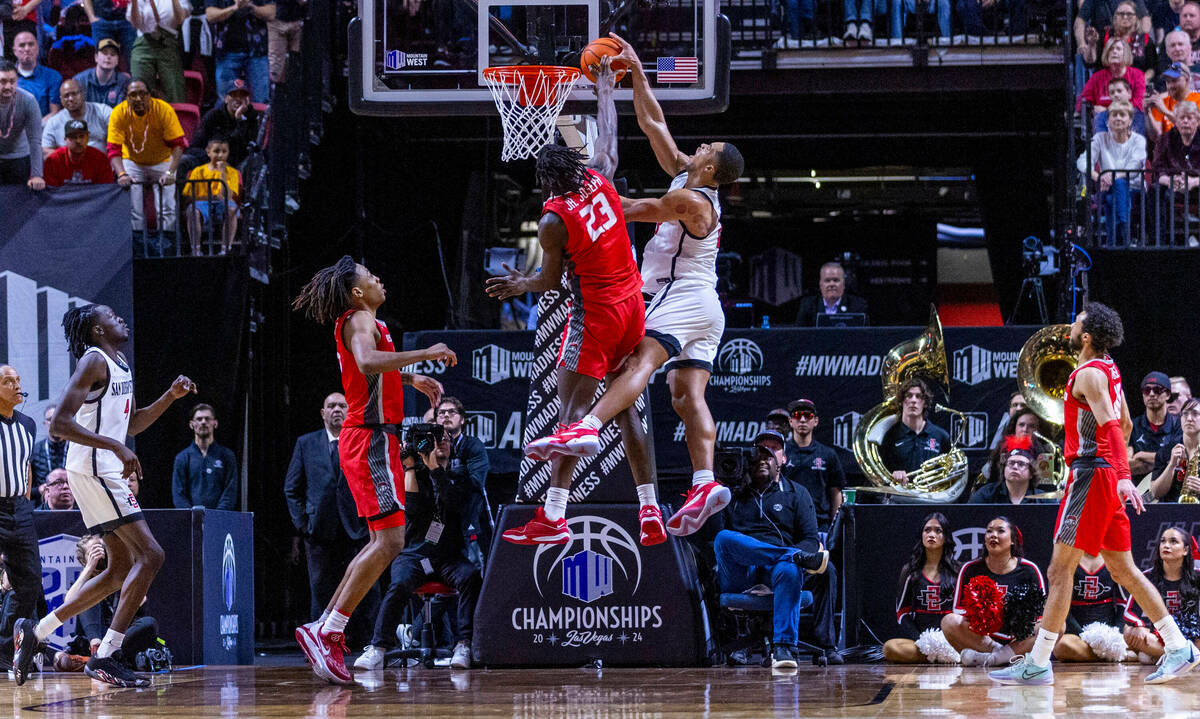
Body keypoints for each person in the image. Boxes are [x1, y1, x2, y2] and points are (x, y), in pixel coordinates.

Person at [506, 43, 745, 542]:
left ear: (711, 169)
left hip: (673, 296)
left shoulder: (690, 200)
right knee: (685, 396)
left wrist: (594, 197)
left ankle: (587, 427)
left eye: (706, 149)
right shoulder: (689, 174)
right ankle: (702, 483)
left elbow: (634, 208)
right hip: (706, 306)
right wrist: (635, 74)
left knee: (637, 368)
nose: (698, 146)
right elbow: (654, 125)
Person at [484, 60, 665, 547]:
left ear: (545, 183)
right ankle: (649, 508)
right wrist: (606, 90)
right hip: (632, 309)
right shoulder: (600, 177)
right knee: (627, 410)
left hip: (596, 318)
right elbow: (608, 139)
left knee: (571, 419)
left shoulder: (552, 220)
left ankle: (555, 515)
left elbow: (548, 281)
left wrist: (521, 284)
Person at [989, 301, 1200, 686]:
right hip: (1101, 476)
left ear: (1086, 335)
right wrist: (1116, 473)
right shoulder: (1110, 370)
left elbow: (1109, 426)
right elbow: (1121, 422)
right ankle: (1177, 644)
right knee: (1122, 569)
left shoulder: (1088, 373)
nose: (1069, 327)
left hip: (1090, 475)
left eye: (1075, 323)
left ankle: (1038, 662)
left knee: (1059, 569)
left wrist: (1120, 475)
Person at [13, 304, 197, 687]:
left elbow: (131, 423)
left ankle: (37, 632)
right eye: (112, 317)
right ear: (97, 329)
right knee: (152, 555)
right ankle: (107, 655)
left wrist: (170, 397)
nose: (121, 319)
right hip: (94, 468)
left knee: (117, 569)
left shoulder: (120, 362)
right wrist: (116, 448)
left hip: (101, 466)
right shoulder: (93, 361)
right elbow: (61, 424)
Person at [291, 256, 454, 685]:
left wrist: (409, 376)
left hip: (373, 437)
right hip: (370, 438)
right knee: (391, 540)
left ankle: (325, 625)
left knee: (381, 541)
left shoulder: (365, 321)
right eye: (371, 276)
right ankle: (330, 629)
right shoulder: (360, 319)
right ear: (359, 292)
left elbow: (368, 372)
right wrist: (426, 353)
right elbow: (365, 362)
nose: (380, 278)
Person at [354, 428, 483, 672]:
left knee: (471, 577)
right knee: (400, 583)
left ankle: (463, 644)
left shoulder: (462, 477)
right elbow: (412, 510)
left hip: (448, 556)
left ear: (452, 446)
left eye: (444, 439)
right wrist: (412, 468)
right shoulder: (414, 475)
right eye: (433, 440)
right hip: (415, 554)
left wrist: (435, 469)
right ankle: (378, 647)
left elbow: (453, 504)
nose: (438, 444)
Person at [707, 430, 834, 668]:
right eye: (758, 454)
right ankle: (791, 556)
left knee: (790, 569)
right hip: (741, 571)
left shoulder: (797, 493)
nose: (763, 459)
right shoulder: (732, 494)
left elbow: (809, 539)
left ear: (781, 460)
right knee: (724, 538)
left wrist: (789, 558)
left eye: (770, 453)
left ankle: (784, 649)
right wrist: (722, 489)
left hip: (777, 571)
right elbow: (714, 538)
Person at [284, 393, 377, 646]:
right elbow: (292, 488)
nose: (337, 409)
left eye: (342, 405)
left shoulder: (360, 440)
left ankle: (366, 643)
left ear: (350, 411)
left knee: (365, 588)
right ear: (323, 413)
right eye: (331, 406)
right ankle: (319, 645)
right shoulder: (306, 443)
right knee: (321, 589)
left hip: (356, 529)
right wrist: (304, 523)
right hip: (319, 531)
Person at [942, 517, 1046, 666]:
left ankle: (994, 660)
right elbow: (958, 610)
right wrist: (986, 617)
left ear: (1012, 540)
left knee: (1055, 626)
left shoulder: (1029, 570)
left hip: (1019, 638)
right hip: (983, 638)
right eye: (989, 531)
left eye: (1000, 531)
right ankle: (1002, 655)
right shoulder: (970, 569)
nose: (993, 535)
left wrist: (1016, 621)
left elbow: (1040, 615)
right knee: (949, 621)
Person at [0, 366, 45, 671]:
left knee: (29, 582)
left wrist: (25, 502)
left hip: (20, 508)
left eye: (18, 380)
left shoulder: (28, 424)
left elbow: (26, 467)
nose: (17, 385)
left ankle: (6, 652)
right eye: (8, 381)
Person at [60, 534, 159, 669]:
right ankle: (97, 650)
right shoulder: (84, 583)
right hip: (93, 639)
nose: (100, 554)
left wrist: (119, 567)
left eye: (101, 548)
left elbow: (141, 600)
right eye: (93, 552)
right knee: (86, 594)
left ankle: (103, 658)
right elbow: (68, 604)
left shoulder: (123, 573)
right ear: (83, 561)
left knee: (149, 623)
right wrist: (89, 567)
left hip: (119, 638)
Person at [107, 79, 186, 231]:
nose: (138, 99)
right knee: (133, 209)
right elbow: (113, 149)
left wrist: (170, 172)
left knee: (167, 208)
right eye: (133, 95)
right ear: (126, 97)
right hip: (132, 161)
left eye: (143, 94)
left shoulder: (163, 109)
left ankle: (166, 247)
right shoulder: (118, 113)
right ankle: (137, 247)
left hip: (162, 160)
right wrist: (122, 174)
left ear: (150, 95)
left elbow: (178, 144)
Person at [882, 513, 960, 663]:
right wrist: (922, 641)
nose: (932, 534)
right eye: (927, 530)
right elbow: (902, 612)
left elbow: (965, 611)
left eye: (938, 531)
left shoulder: (958, 570)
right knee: (889, 648)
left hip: (953, 640)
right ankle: (940, 657)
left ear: (946, 537)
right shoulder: (910, 570)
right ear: (921, 535)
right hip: (921, 641)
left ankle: (944, 655)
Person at [1123, 527, 1200, 661]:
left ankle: (1160, 656)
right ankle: (1184, 657)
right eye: (1163, 541)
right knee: (1129, 631)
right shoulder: (1146, 577)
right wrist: (1139, 625)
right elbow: (1129, 611)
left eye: (1173, 542)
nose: (1166, 545)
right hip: (1159, 636)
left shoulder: (1197, 577)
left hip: (1192, 636)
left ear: (1186, 550)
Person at [1087, 100, 1147, 247]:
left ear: (1130, 120)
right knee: (1113, 193)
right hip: (1107, 186)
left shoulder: (1138, 140)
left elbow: (1134, 167)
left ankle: (1112, 243)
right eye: (1114, 115)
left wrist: (1111, 178)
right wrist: (1098, 176)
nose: (1118, 118)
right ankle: (1125, 235)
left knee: (1112, 194)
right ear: (1107, 120)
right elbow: (1083, 162)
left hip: (1134, 187)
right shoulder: (1100, 138)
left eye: (1122, 114)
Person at [781, 399, 844, 533]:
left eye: (808, 415)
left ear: (815, 421)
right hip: (787, 522)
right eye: (797, 415)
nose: (802, 420)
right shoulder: (781, 453)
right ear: (790, 421)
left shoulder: (828, 454)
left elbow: (835, 493)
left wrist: (835, 526)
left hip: (820, 524)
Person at [1051, 552, 1129, 662]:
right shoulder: (1068, 560)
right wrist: (1083, 635)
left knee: (1134, 635)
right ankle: (1118, 656)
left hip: (1109, 630)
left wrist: (1117, 635)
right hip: (1077, 633)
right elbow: (1062, 606)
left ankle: (1108, 653)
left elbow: (1123, 602)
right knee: (1061, 646)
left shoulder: (1114, 560)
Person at [880, 377, 952, 485]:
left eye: (918, 396)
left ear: (925, 403)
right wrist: (892, 475)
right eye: (909, 396)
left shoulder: (941, 436)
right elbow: (881, 475)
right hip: (900, 498)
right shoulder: (889, 437)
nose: (913, 400)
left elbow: (951, 473)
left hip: (932, 499)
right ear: (901, 402)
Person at [205, 0, 275, 103]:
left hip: (257, 52)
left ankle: (256, 119)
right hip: (227, 51)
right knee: (225, 101)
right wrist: (235, 7)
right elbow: (210, 15)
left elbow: (271, 13)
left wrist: (250, 7)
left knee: (261, 100)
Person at [171, 403, 239, 510]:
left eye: (207, 419)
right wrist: (192, 516)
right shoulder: (182, 458)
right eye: (199, 419)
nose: (203, 422)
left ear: (215, 423)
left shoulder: (227, 456)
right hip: (190, 521)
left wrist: (217, 516)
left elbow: (230, 491)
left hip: (220, 520)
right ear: (191, 424)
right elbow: (178, 494)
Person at [183, 135, 241, 255]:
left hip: (223, 203)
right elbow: (189, 196)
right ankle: (196, 250)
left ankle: (225, 250)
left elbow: (230, 197)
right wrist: (208, 197)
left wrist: (222, 175)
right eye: (216, 151)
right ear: (208, 152)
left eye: (224, 152)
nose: (220, 155)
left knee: (232, 209)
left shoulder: (233, 172)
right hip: (203, 203)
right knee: (193, 211)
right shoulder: (198, 171)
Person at [184, 78, 258, 171]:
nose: (238, 99)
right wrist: (213, 159)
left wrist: (240, 119)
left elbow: (244, 147)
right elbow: (194, 147)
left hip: (236, 163)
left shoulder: (252, 116)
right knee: (185, 160)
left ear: (247, 100)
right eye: (233, 95)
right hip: (210, 159)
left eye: (242, 96)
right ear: (226, 99)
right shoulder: (213, 115)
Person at [126, 0, 189, 103]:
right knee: (138, 89)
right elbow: (136, 24)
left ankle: (176, 117)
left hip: (168, 42)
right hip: (144, 41)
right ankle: (140, 117)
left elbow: (180, 19)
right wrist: (134, 2)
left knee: (175, 88)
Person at [0, 60, 45, 189]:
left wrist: (37, 175)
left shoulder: (28, 100)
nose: (8, 86)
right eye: (2, 82)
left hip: (19, 158)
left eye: (12, 81)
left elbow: (35, 140)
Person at [1129, 370, 1181, 476]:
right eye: (1147, 390)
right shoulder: (1132, 426)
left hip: (1171, 488)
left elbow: (1181, 460)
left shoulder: (1179, 425)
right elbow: (1127, 465)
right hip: (1139, 488)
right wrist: (1167, 462)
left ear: (1167, 394)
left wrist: (1141, 455)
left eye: (1157, 390)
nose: (1151, 394)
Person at [42, 79, 111, 157]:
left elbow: (118, 141)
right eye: (66, 96)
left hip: (101, 165)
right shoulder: (53, 122)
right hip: (68, 166)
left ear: (83, 94)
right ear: (61, 99)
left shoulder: (104, 111)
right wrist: (70, 158)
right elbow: (45, 150)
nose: (70, 99)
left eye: (74, 94)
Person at [1149, 397, 1200, 501]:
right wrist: (1172, 465)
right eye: (1185, 414)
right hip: (1170, 514)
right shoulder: (1166, 451)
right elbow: (1155, 493)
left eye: (1195, 414)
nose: (1189, 418)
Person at [970, 436, 1047, 504]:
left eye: (1021, 464)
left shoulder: (1043, 501)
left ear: (1031, 473)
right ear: (1004, 468)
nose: (1015, 467)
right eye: (1011, 463)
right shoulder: (985, 496)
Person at [1078, 38, 1148, 111]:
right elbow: (1083, 102)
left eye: (1118, 49)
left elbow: (1139, 103)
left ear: (1126, 53)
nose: (1114, 51)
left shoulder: (1137, 75)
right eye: (1111, 49)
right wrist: (1092, 109)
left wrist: (1108, 110)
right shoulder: (1097, 77)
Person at [794, 261, 868, 326]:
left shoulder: (858, 305)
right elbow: (798, 336)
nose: (831, 284)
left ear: (844, 284)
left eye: (836, 280)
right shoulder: (807, 305)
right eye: (827, 280)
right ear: (820, 285)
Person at [43, 119, 115, 186]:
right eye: (73, 137)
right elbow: (50, 192)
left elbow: (106, 189)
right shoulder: (53, 160)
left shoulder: (100, 159)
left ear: (88, 137)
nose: (78, 141)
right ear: (65, 139)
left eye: (82, 136)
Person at [12, 32, 61, 120]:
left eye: (31, 44)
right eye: (22, 45)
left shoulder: (53, 76)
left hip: (42, 129)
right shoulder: (4, 77)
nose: (27, 49)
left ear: (38, 48)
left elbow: (55, 112)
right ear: (15, 51)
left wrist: (34, 128)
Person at [73, 39, 132, 108]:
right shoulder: (80, 80)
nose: (108, 57)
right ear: (96, 57)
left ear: (117, 61)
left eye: (113, 54)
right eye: (105, 53)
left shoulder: (124, 82)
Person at [1148, 64, 1200, 138]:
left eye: (1174, 81)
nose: (1171, 86)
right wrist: (1148, 113)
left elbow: (1196, 131)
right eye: (1168, 82)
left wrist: (1165, 112)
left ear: (1187, 80)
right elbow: (1155, 136)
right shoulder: (1162, 103)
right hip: (1169, 148)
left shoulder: (1198, 99)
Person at [81, 2, 137, 68]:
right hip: (101, 20)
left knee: (134, 60)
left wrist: (134, 16)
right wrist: (91, 17)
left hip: (127, 20)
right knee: (105, 62)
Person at [30, 404, 66, 502]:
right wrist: (39, 490)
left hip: (73, 507)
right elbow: (24, 490)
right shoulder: (34, 451)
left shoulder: (75, 449)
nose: (55, 423)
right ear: (45, 423)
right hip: (42, 507)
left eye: (58, 419)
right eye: (50, 419)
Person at [267, 0, 304, 83]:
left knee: (297, 61)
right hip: (276, 22)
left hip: (298, 21)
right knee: (275, 65)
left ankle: (293, 90)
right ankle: (276, 91)